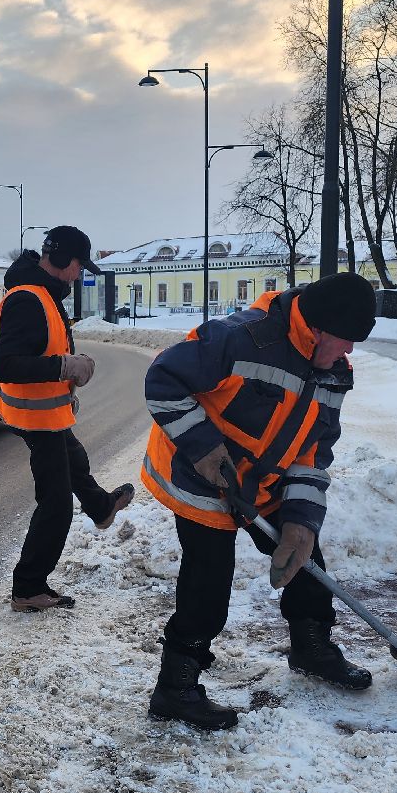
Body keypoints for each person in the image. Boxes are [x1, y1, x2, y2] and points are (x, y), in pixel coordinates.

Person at [140, 272, 378, 730]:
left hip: (263, 480)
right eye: (346, 340)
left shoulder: (332, 371)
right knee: (207, 583)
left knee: (306, 561)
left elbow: (315, 449)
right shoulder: (240, 339)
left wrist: (301, 521)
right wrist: (207, 451)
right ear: (319, 327)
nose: (349, 352)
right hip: (199, 474)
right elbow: (162, 379)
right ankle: (176, 686)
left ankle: (311, 648)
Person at [0, 226, 135, 612]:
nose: (78, 273)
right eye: (77, 265)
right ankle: (29, 588)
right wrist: (64, 366)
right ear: (59, 260)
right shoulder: (28, 300)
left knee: (74, 459)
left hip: (43, 413)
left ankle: (102, 507)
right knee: (55, 505)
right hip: (35, 416)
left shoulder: (42, 294)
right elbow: (3, 364)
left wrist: (64, 372)